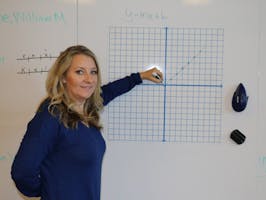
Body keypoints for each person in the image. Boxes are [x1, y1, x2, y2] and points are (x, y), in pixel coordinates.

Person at [11, 45, 163, 200]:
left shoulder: (85, 109)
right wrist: (45, 192)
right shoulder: (51, 116)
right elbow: (22, 171)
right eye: (79, 72)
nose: (89, 79)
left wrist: (139, 77)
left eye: (93, 72)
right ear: (63, 77)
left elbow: (109, 91)